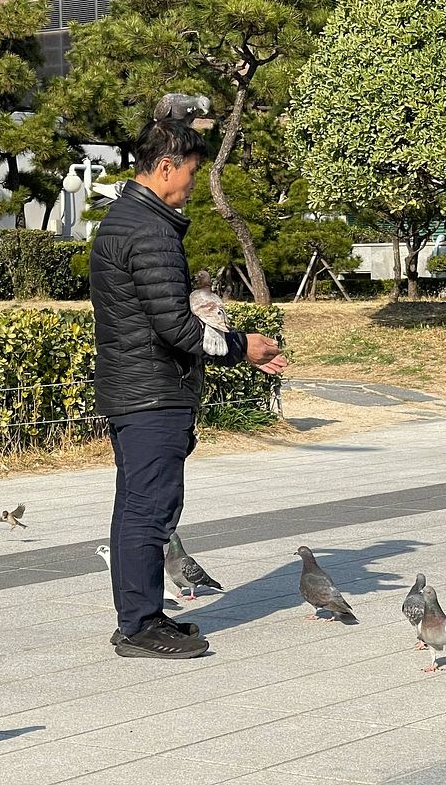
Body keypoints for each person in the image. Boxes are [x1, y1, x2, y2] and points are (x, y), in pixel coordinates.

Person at [90, 119, 287, 659]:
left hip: (136, 387)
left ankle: (142, 615)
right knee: (149, 510)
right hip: (150, 392)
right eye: (192, 173)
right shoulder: (149, 231)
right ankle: (138, 627)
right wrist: (243, 346)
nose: (194, 184)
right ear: (165, 167)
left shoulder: (126, 220)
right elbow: (175, 327)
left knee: (138, 506)